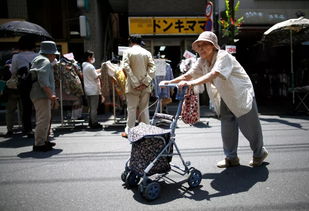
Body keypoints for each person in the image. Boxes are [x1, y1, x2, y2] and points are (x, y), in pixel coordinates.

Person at [160, 31, 268, 167]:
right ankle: (231, 158)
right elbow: (188, 75)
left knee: (249, 127)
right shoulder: (202, 61)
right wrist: (169, 82)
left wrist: (192, 83)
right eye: (198, 46)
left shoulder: (223, 56)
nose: (201, 48)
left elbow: (214, 74)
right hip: (224, 95)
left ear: (213, 46)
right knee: (227, 126)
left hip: (240, 93)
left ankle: (259, 153)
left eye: (204, 45)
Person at [121, 34, 155, 138]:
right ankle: (146, 130)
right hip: (145, 86)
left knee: (131, 109)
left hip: (132, 86)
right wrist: (145, 82)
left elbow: (125, 67)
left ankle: (129, 132)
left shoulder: (127, 52)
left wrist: (135, 82)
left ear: (131, 42)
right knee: (144, 109)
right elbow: (153, 68)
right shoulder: (147, 52)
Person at [30, 41, 59, 152]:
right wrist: (51, 95)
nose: (55, 56)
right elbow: (43, 80)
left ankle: (44, 140)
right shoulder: (44, 61)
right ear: (50, 53)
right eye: (54, 54)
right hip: (41, 94)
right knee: (43, 119)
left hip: (39, 94)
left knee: (45, 118)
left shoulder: (38, 59)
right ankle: (39, 144)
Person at [11, 35, 38, 138]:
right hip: (36, 83)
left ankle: (28, 129)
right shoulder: (37, 56)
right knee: (38, 106)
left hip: (24, 84)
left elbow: (13, 72)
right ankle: (39, 126)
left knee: (26, 107)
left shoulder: (16, 57)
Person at [82, 50, 102, 129]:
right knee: (94, 108)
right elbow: (96, 76)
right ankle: (94, 123)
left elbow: (93, 73)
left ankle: (90, 121)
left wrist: (100, 70)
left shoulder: (84, 65)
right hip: (93, 89)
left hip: (88, 89)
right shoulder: (90, 66)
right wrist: (102, 72)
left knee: (91, 107)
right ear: (89, 57)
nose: (93, 58)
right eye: (92, 56)